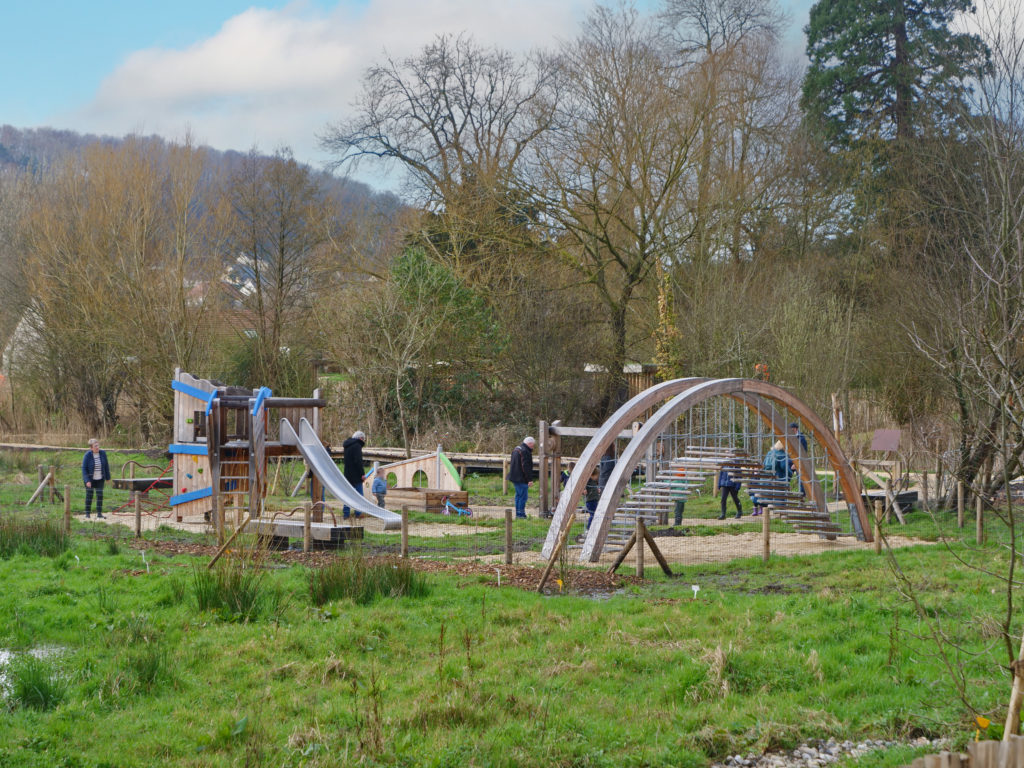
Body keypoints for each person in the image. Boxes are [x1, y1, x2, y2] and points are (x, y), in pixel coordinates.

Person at [81, 438, 110, 519]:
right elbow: (84, 468)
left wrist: (108, 477)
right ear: (91, 448)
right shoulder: (87, 455)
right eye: (95, 446)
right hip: (90, 479)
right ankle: (87, 513)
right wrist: (87, 481)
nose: (97, 447)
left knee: (100, 495)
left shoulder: (103, 453)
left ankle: (99, 513)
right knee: (89, 495)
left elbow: (106, 465)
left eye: (98, 445)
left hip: (100, 478)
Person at [507, 436, 535, 519]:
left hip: (514, 476)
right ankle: (521, 515)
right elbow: (525, 466)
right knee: (523, 497)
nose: (533, 447)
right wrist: (529, 479)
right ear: (529, 443)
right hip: (521, 478)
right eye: (532, 445)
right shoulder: (525, 451)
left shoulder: (516, 449)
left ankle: (518, 514)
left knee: (518, 496)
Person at [342, 430, 366, 520]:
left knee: (348, 494)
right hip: (356, 475)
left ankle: (346, 513)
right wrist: (362, 474)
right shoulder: (357, 446)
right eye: (363, 439)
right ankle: (358, 513)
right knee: (359, 495)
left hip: (347, 473)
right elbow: (358, 461)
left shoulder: (347, 446)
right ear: (361, 438)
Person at [788, 422, 809, 499]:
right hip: (790, 460)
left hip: (798, 461)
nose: (790, 430)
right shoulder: (789, 436)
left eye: (792, 429)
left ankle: (802, 496)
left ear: (796, 429)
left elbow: (803, 452)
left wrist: (796, 463)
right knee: (787, 476)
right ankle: (785, 493)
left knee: (800, 478)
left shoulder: (801, 438)